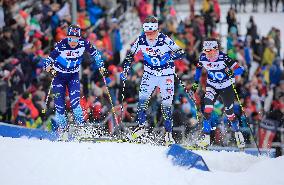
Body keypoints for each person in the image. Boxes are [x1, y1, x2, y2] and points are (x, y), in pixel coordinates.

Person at [120, 16, 185, 145]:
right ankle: (141, 127)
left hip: (166, 75)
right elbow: (130, 55)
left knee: (166, 104)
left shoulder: (164, 39)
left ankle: (168, 134)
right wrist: (125, 69)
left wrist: (169, 56)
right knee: (142, 99)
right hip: (150, 74)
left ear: (157, 30)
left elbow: (181, 52)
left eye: (152, 32)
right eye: (147, 32)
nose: (149, 35)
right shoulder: (141, 40)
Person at [43, 24, 104, 139]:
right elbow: (47, 63)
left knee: (75, 102)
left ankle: (81, 129)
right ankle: (63, 131)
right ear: (67, 37)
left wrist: (100, 65)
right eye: (70, 38)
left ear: (79, 38)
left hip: (73, 77)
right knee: (59, 106)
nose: (73, 42)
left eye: (76, 39)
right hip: (59, 78)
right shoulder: (61, 45)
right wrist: (51, 70)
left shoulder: (83, 43)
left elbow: (95, 53)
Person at [191, 38, 246, 149]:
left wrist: (232, 71)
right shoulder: (203, 57)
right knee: (207, 108)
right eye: (206, 51)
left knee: (229, 114)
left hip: (226, 87)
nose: (208, 55)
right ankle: (206, 138)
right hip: (212, 86)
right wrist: (195, 83)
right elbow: (198, 69)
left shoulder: (224, 58)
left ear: (216, 50)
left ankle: (238, 133)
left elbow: (240, 69)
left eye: (210, 51)